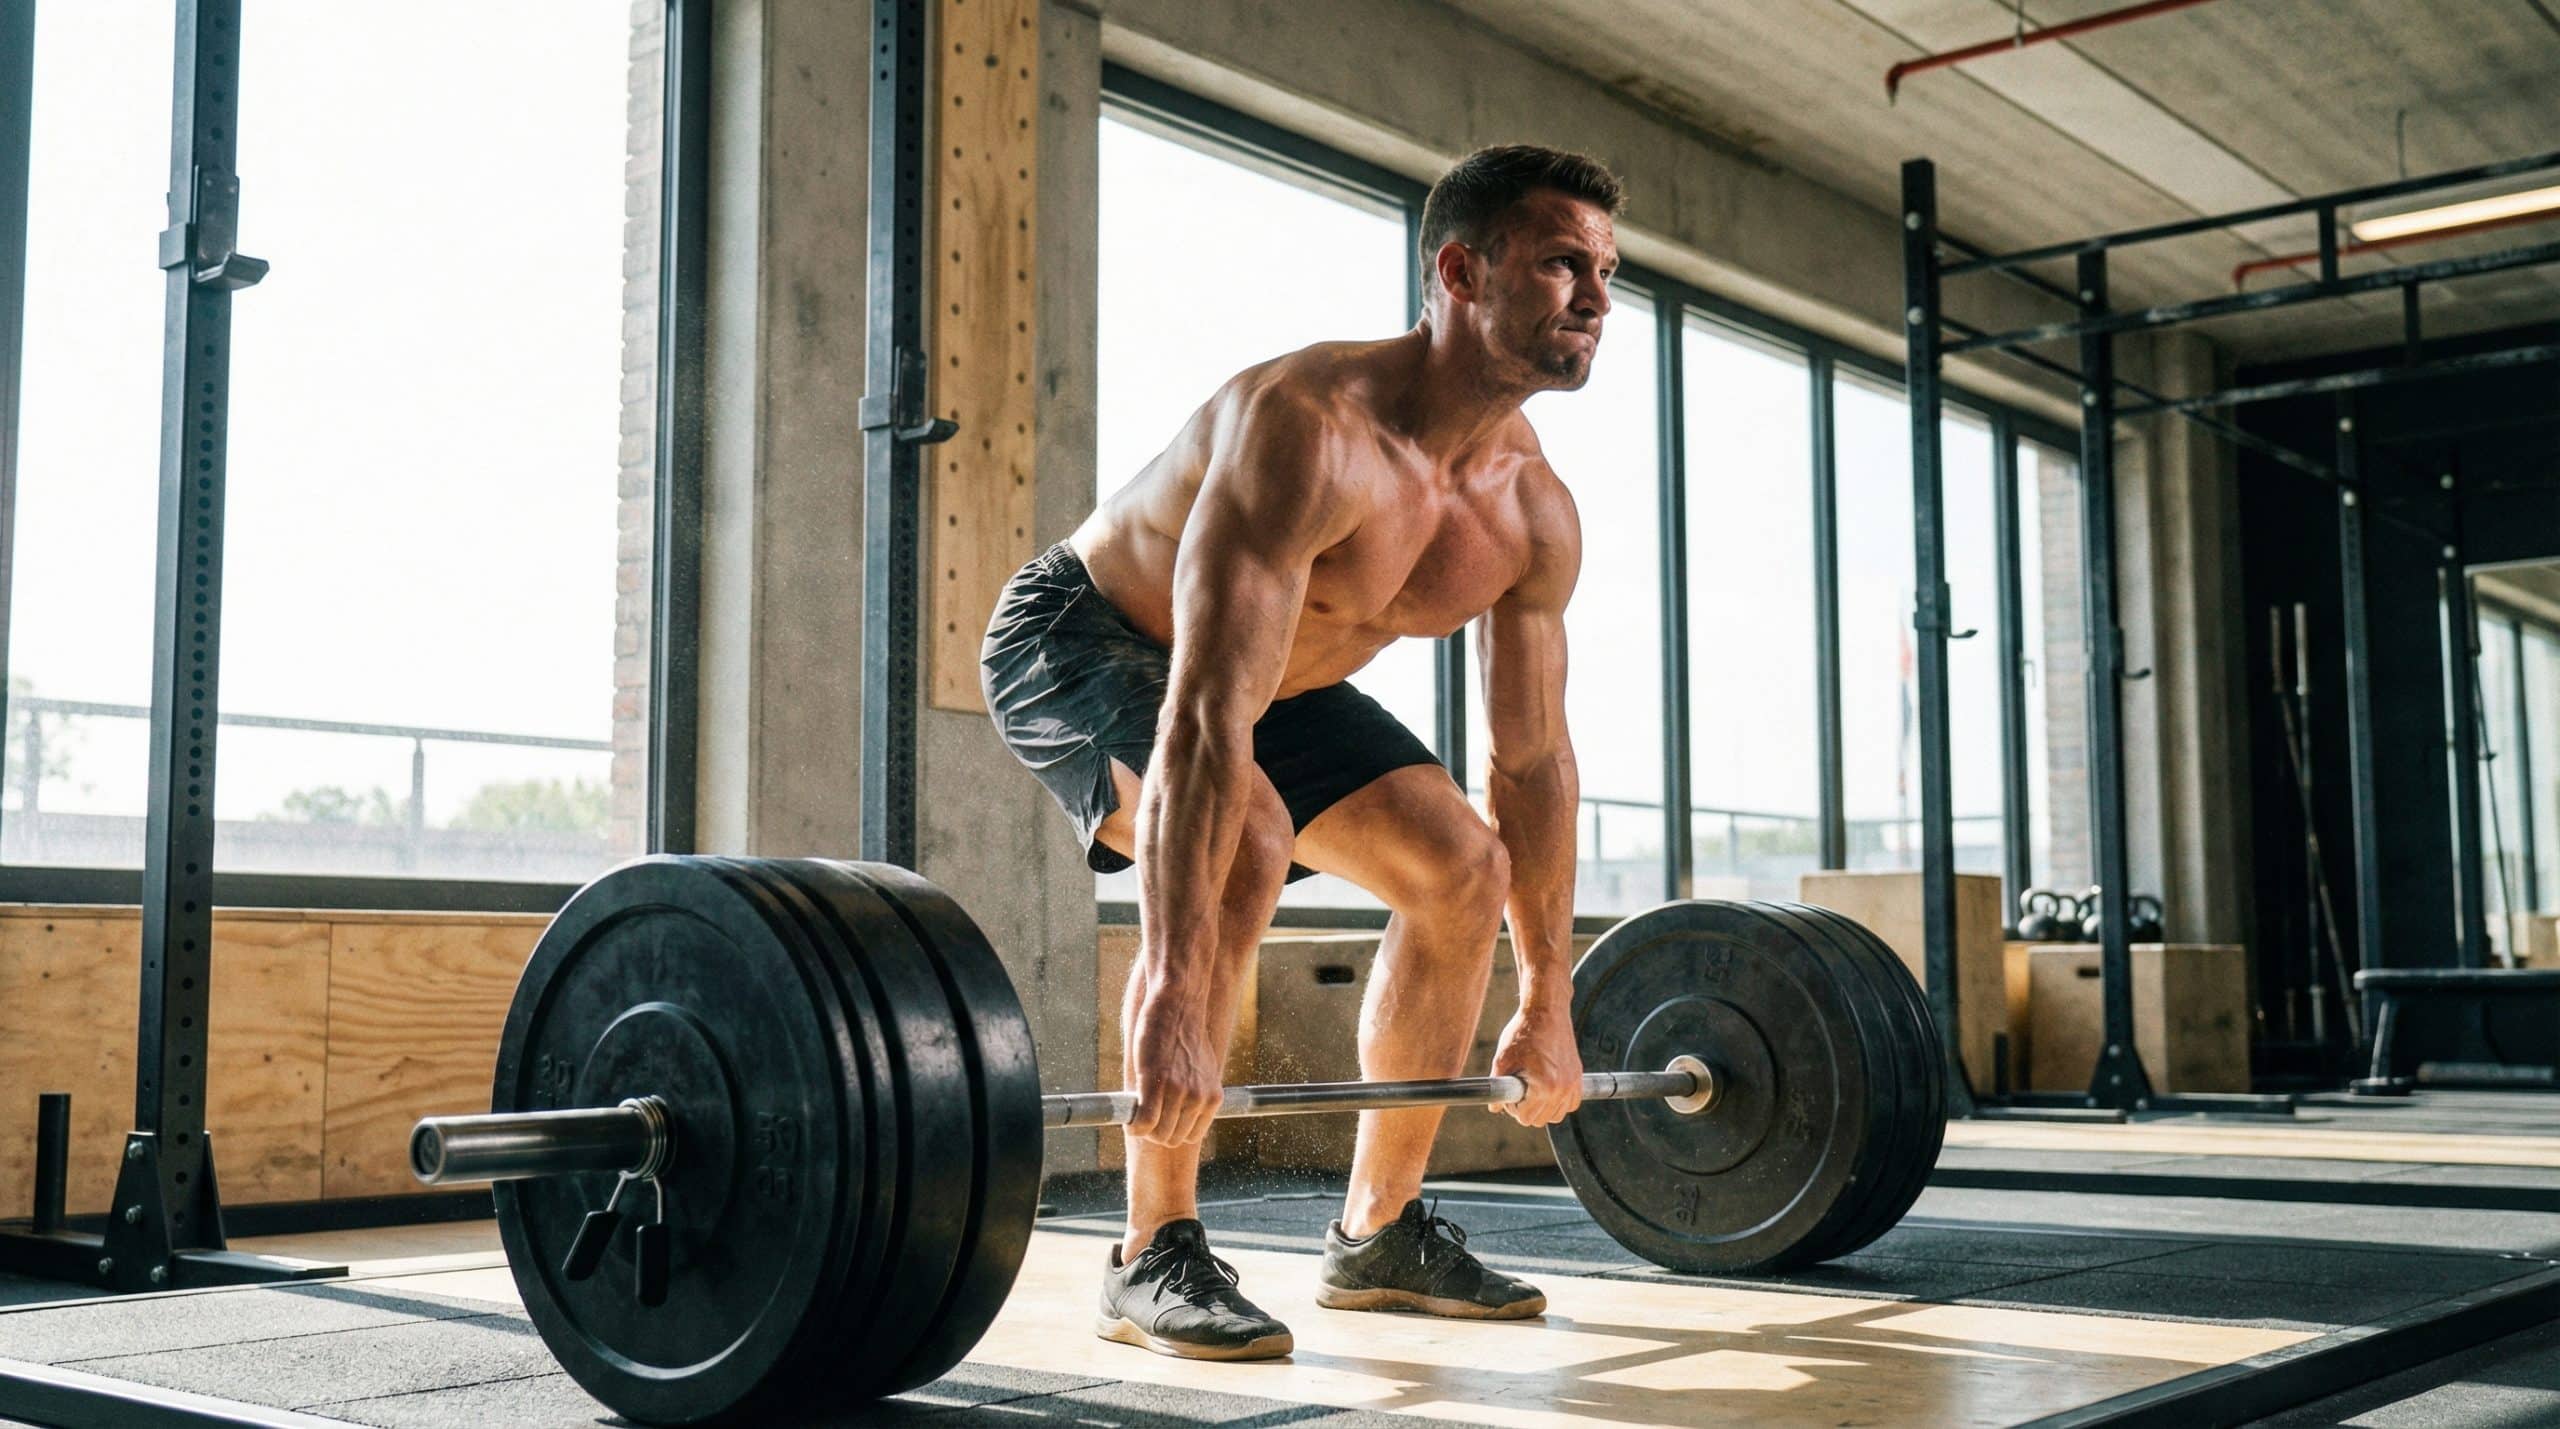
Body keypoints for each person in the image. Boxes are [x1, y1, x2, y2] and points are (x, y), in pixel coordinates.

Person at [982, 143, 1620, 1361]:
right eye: (1557, 263)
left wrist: (1548, 999)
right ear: (1459, 271)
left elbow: (1531, 763)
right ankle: (1148, 1254)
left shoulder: (1531, 513)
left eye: (1604, 269)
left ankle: (1376, 1235)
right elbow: (1207, 713)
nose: (1592, 295)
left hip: (1279, 679)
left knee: (1465, 871)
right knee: (1246, 844)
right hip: (1091, 638)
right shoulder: (1309, 426)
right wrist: (1173, 987)